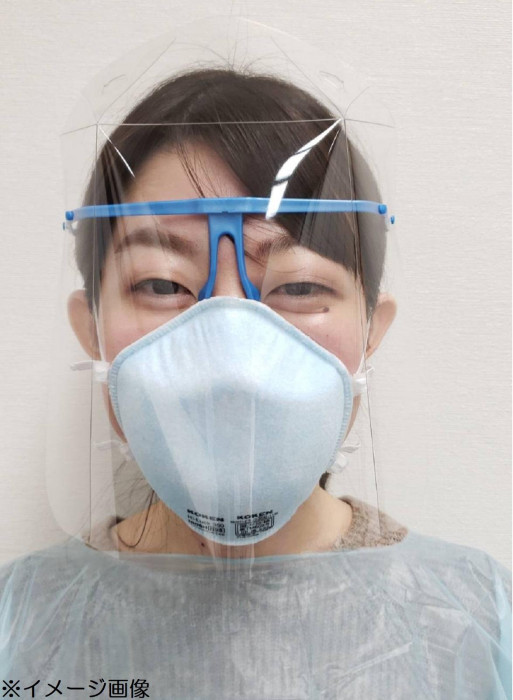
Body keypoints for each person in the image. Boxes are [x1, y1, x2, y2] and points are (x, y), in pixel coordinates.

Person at [1, 20, 510, 699]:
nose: (233, 359)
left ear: (371, 330)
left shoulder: (477, 622)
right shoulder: (19, 625)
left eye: (297, 287)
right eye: (162, 285)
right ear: (89, 329)